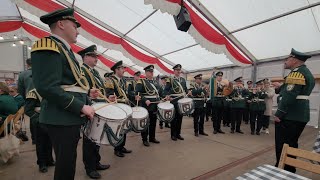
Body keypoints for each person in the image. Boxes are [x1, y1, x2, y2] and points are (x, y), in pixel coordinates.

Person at [31, 8, 97, 180]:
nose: (78, 30)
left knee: (68, 161)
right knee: (66, 165)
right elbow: (47, 87)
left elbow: (71, 84)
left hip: (68, 116)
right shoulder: (48, 45)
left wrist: (88, 96)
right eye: (75, 25)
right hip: (61, 117)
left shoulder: (65, 50)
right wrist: (81, 106)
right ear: (61, 24)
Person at [273, 48, 315, 173]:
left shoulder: (297, 73)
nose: (285, 61)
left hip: (290, 116)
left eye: (287, 59)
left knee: (284, 145)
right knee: (291, 144)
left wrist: (279, 113)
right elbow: (291, 90)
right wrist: (280, 87)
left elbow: (289, 96)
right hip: (297, 115)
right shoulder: (303, 72)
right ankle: (289, 169)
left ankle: (282, 170)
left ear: (295, 60)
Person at [78, 45, 110, 179]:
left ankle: (96, 162)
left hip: (99, 107)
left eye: (96, 56)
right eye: (93, 56)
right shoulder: (81, 70)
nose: (96, 59)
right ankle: (89, 168)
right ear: (85, 57)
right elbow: (80, 89)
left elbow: (100, 90)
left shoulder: (95, 72)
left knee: (97, 138)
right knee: (89, 139)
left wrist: (108, 98)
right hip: (90, 108)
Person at [105, 61, 132, 157]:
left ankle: (122, 146)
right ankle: (117, 148)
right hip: (117, 107)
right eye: (122, 69)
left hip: (124, 106)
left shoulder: (123, 80)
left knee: (124, 128)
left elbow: (126, 93)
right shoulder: (110, 80)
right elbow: (109, 93)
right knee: (118, 129)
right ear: (116, 69)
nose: (124, 70)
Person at [25, 88, 55, 173]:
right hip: (39, 122)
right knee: (41, 144)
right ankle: (42, 164)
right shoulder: (33, 93)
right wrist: (38, 120)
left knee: (49, 142)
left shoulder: (49, 90)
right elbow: (28, 110)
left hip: (50, 121)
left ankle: (49, 160)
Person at [135, 65, 161, 146]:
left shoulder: (156, 82)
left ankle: (152, 138)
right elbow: (138, 93)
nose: (151, 73)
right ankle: (145, 139)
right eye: (150, 71)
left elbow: (159, 93)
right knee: (145, 123)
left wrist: (164, 97)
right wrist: (145, 100)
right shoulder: (141, 81)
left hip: (154, 106)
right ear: (146, 72)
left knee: (153, 123)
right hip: (146, 106)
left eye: (152, 71)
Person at [165, 64, 190, 141]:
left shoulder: (183, 80)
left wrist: (188, 92)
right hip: (174, 101)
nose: (178, 71)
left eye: (179, 70)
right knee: (174, 119)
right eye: (177, 70)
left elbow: (185, 89)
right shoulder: (170, 79)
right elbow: (166, 90)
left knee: (180, 118)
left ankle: (178, 134)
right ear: (174, 71)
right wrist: (168, 95)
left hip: (181, 101)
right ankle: (173, 135)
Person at [18, 58, 36, 143]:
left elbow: (20, 90)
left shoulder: (22, 74)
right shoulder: (42, 72)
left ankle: (34, 138)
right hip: (43, 99)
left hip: (30, 99)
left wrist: (26, 98)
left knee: (33, 118)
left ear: (27, 65)